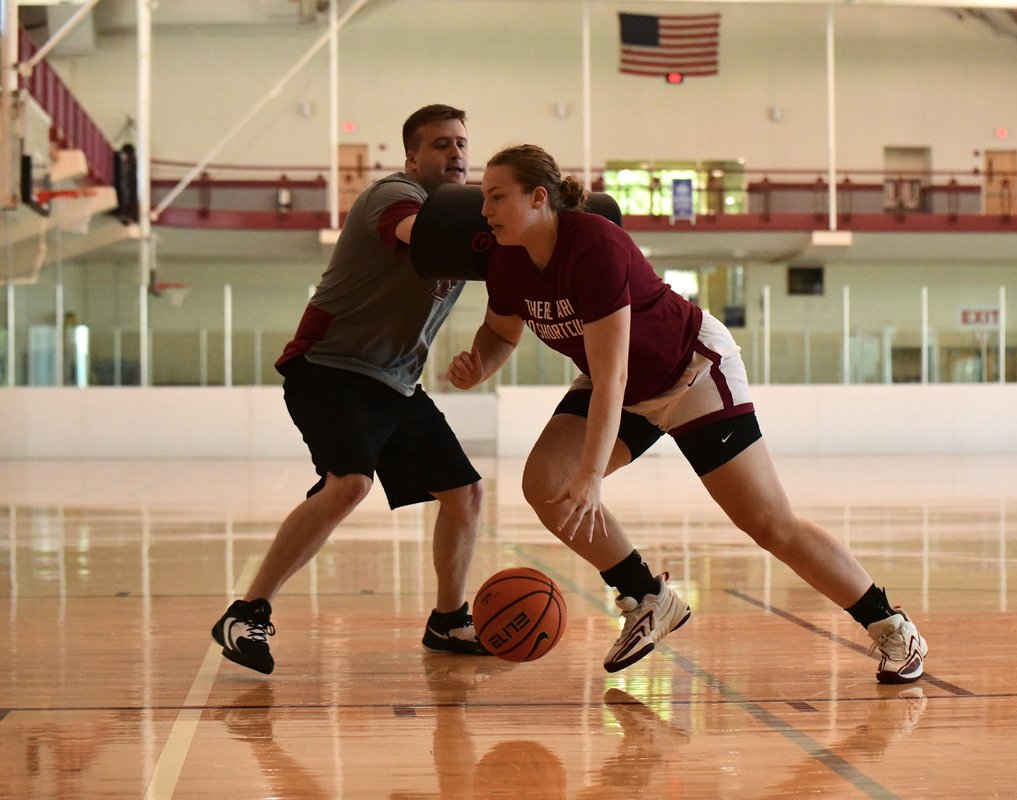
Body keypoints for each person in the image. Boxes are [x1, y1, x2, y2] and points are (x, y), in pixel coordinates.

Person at [447, 144, 929, 682]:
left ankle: (892, 627)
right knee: (545, 482)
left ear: (539, 198)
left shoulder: (595, 245)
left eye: (496, 196)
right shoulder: (506, 260)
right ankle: (648, 597)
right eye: (484, 198)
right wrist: (479, 366)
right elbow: (500, 332)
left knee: (769, 524)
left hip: (689, 371)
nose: (485, 209)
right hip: (626, 383)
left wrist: (590, 474)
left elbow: (613, 376)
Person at [211, 104, 489, 674]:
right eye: (441, 144)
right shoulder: (393, 195)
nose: (456, 153)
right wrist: (515, 232)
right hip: (329, 368)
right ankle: (246, 612)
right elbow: (421, 237)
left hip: (396, 382)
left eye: (461, 143)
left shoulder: (467, 222)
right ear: (412, 155)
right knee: (349, 485)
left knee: (464, 495)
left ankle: (448, 619)